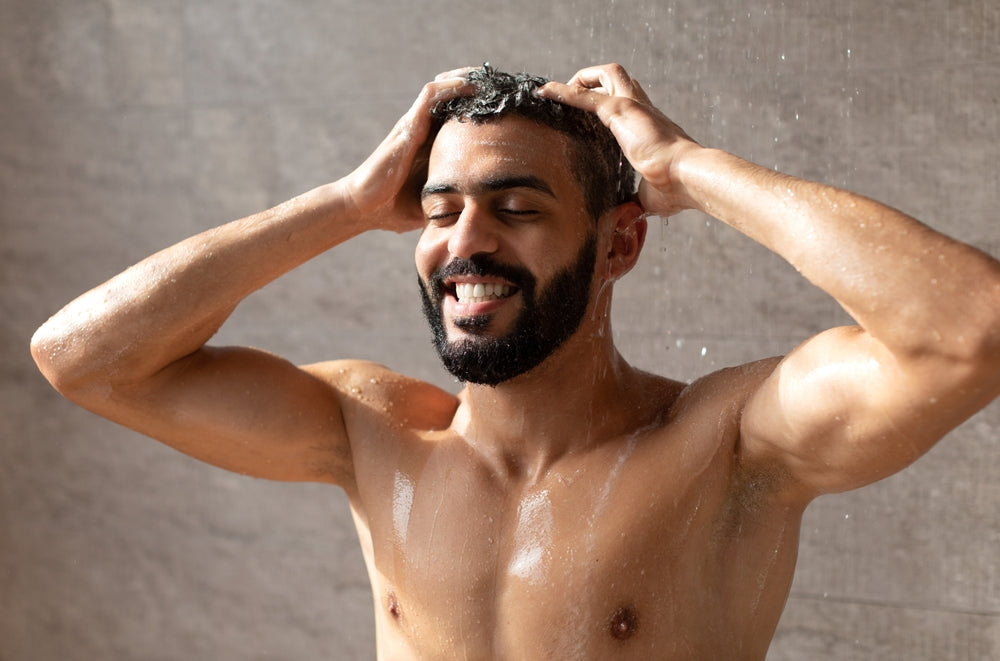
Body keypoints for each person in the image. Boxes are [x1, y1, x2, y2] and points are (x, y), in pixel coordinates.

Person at [30, 63, 1000, 659]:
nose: (466, 242)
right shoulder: (372, 434)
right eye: (440, 209)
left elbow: (972, 327)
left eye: (517, 207)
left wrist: (688, 172)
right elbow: (85, 358)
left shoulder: (728, 445)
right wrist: (346, 205)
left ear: (618, 244)